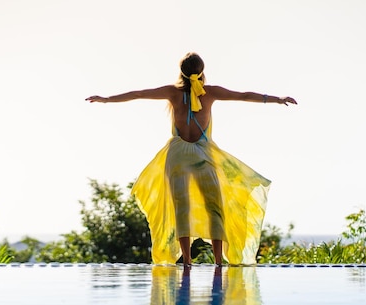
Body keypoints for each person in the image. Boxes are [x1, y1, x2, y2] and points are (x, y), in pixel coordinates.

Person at [86, 52, 296, 266]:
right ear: (202, 71)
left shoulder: (172, 92)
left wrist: (107, 100)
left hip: (178, 155)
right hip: (203, 154)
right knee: (214, 206)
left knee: (182, 207)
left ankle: (186, 259)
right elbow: (243, 95)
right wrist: (277, 100)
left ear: (182, 72)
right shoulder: (210, 92)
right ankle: (217, 260)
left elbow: (139, 93)